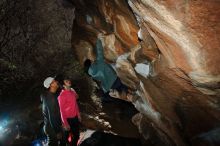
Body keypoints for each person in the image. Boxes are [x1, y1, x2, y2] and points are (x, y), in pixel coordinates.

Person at [83, 34, 128, 102]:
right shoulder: (99, 63)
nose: (93, 61)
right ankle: (122, 93)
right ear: (90, 63)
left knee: (122, 90)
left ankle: (117, 94)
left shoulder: (92, 75)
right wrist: (98, 40)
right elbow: (100, 52)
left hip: (108, 86)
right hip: (114, 80)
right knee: (125, 86)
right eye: (91, 61)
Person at [40, 77, 64, 146]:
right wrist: (57, 131)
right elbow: (52, 115)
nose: (56, 82)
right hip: (52, 127)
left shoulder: (52, 95)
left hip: (53, 125)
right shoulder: (50, 97)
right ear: (51, 85)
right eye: (54, 81)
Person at [58, 77, 81, 146]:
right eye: (66, 81)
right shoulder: (61, 96)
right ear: (63, 85)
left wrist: (78, 115)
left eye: (69, 80)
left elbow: (75, 103)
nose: (69, 81)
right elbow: (61, 111)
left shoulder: (72, 91)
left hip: (75, 117)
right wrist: (65, 123)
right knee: (65, 138)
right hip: (68, 119)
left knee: (76, 135)